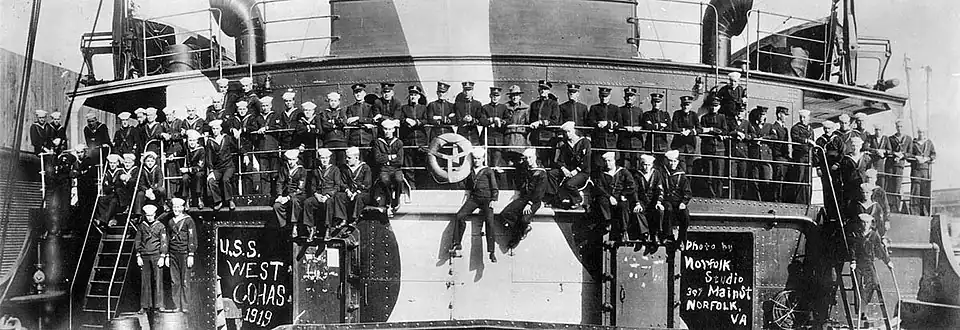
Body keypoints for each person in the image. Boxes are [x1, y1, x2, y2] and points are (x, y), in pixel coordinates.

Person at [451, 147, 499, 262]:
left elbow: (494, 186)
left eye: (478, 159)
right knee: (459, 216)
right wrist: (466, 198)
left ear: (483, 159)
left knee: (490, 223)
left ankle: (491, 252)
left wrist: (494, 199)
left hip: (487, 199)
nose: (476, 161)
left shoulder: (488, 171)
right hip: (475, 199)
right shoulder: (471, 171)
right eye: (475, 159)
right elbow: (468, 187)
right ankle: (457, 243)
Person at [500, 148, 548, 250]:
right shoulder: (525, 167)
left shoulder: (541, 173)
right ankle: (523, 229)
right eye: (526, 158)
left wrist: (530, 203)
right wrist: (503, 169)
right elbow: (516, 165)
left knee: (524, 219)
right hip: (523, 198)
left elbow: (539, 192)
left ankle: (515, 240)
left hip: (534, 201)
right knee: (506, 213)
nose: (528, 160)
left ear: (535, 157)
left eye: (530, 157)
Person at [850, 212, 893, 322]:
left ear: (870, 223)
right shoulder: (855, 234)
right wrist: (853, 260)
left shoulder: (874, 235)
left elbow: (880, 249)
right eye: (863, 222)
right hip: (858, 264)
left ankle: (863, 305)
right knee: (857, 286)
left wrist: (888, 261)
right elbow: (852, 249)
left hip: (869, 263)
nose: (865, 225)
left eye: (867, 222)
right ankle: (860, 311)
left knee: (874, 283)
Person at [592, 152, 640, 243]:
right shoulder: (601, 173)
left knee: (624, 206)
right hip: (608, 197)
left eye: (610, 161)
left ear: (614, 161)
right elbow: (599, 187)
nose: (608, 163)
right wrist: (609, 197)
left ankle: (624, 231)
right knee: (601, 200)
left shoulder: (623, 172)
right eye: (605, 161)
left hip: (620, 197)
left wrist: (624, 194)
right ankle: (607, 222)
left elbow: (632, 185)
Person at [303, 148, 348, 241]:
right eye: (322, 158)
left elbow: (337, 186)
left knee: (329, 203)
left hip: (330, 195)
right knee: (308, 202)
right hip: (319, 195)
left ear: (329, 158)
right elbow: (312, 186)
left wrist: (327, 195)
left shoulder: (335, 170)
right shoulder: (316, 171)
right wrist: (316, 195)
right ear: (319, 159)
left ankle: (328, 228)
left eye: (326, 158)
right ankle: (311, 228)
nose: (324, 160)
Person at [165, 198, 196, 313]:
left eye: (178, 208)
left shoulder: (188, 221)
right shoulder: (170, 222)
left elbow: (192, 237)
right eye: (174, 207)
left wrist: (191, 254)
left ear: (183, 208)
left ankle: (186, 305)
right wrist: (167, 255)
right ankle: (176, 305)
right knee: (175, 282)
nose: (176, 209)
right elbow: (167, 239)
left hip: (184, 254)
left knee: (185, 281)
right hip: (173, 254)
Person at [135, 204, 168, 314]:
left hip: (156, 256)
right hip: (144, 256)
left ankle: (160, 305)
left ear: (155, 215)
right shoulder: (141, 226)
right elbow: (138, 241)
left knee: (158, 281)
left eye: (151, 215)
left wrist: (162, 256)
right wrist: (138, 255)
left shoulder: (160, 226)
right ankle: (145, 306)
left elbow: (164, 242)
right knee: (145, 281)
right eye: (147, 215)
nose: (149, 217)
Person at [551, 121, 591, 209]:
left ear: (574, 131)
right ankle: (554, 196)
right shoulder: (565, 145)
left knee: (569, 184)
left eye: (569, 131)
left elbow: (586, 160)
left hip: (582, 172)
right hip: (569, 170)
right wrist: (563, 169)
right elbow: (559, 160)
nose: (567, 134)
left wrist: (576, 171)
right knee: (551, 174)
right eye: (565, 132)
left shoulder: (585, 142)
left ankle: (577, 200)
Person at [373, 119, 406, 217]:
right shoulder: (378, 142)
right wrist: (391, 157)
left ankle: (397, 200)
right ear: (382, 130)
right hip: (384, 169)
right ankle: (389, 201)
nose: (387, 131)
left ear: (393, 130)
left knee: (399, 179)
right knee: (384, 180)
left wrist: (386, 159)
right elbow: (377, 159)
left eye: (390, 129)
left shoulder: (398, 143)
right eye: (385, 129)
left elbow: (400, 161)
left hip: (396, 169)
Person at [398, 86, 428, 187]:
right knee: (409, 165)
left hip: (421, 141)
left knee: (422, 165)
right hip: (408, 141)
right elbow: (400, 119)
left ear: (419, 96)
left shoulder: (423, 108)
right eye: (411, 95)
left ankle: (422, 186)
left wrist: (416, 122)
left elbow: (426, 120)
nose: (413, 97)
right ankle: (412, 186)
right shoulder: (404, 108)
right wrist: (406, 120)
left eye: (415, 95)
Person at [206, 120, 239, 211]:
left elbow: (236, 147)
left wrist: (245, 154)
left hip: (228, 166)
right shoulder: (210, 141)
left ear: (220, 129)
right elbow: (208, 157)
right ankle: (218, 201)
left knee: (225, 179)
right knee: (211, 181)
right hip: (217, 168)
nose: (215, 131)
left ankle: (230, 200)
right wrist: (211, 170)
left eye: (217, 128)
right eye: (213, 129)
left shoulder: (226, 138)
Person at [698, 98, 727, 198]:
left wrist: (712, 131)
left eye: (716, 106)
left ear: (719, 107)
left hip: (719, 150)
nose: (714, 108)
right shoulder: (704, 118)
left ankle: (718, 195)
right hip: (708, 149)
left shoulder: (722, 117)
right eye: (712, 106)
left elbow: (725, 130)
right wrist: (714, 130)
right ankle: (711, 195)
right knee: (708, 174)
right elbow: (701, 132)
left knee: (719, 175)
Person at [636, 154, 665, 253]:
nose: (646, 167)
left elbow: (660, 189)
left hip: (653, 201)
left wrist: (659, 202)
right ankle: (645, 233)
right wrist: (637, 203)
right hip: (642, 201)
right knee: (637, 212)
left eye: (648, 165)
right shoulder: (637, 175)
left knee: (659, 211)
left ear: (652, 165)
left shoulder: (656, 174)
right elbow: (635, 190)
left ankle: (656, 234)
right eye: (644, 165)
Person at [744, 106, 774, 201]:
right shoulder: (752, 126)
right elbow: (747, 135)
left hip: (765, 157)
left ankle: (765, 199)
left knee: (766, 179)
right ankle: (757, 199)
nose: (762, 117)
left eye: (763, 115)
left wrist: (764, 139)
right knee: (755, 179)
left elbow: (774, 136)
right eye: (760, 115)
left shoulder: (769, 126)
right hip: (755, 156)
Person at [256, 96, 283, 195]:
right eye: (263, 106)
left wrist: (267, 128)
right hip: (262, 148)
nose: (264, 108)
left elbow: (278, 127)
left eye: (266, 105)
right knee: (264, 172)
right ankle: (265, 194)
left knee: (275, 172)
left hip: (273, 147)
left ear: (270, 106)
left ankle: (275, 194)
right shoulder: (258, 118)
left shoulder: (275, 116)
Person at [273, 149, 307, 231]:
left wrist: (288, 197)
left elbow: (300, 188)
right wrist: (280, 195)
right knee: (276, 206)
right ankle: (283, 226)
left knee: (294, 201)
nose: (291, 162)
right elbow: (279, 183)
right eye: (289, 160)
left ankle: (294, 225)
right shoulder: (283, 169)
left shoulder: (302, 171)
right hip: (285, 195)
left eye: (293, 160)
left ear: (297, 160)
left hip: (298, 195)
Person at [529, 80, 559, 168]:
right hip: (536, 138)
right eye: (541, 88)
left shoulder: (553, 104)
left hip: (548, 138)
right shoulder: (534, 104)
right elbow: (531, 120)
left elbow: (555, 121)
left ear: (549, 91)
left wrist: (541, 122)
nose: (543, 91)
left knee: (548, 162)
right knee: (537, 161)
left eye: (545, 89)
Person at [587, 87, 620, 168]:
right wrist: (598, 124)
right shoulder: (594, 108)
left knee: (610, 165)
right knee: (598, 164)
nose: (604, 98)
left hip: (610, 143)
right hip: (598, 141)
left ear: (609, 96)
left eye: (606, 96)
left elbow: (619, 125)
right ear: (599, 96)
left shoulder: (615, 108)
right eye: (602, 96)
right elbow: (590, 122)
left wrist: (607, 123)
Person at [787, 109, 815, 204]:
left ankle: (807, 200)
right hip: (800, 157)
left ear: (808, 118)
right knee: (799, 177)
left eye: (804, 117)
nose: (802, 119)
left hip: (808, 157)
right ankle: (798, 201)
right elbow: (795, 138)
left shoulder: (810, 129)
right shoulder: (796, 128)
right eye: (801, 117)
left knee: (808, 180)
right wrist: (806, 141)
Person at [885, 120, 912, 213]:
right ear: (895, 127)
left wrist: (902, 155)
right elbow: (888, 149)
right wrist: (895, 154)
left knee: (897, 187)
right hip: (890, 165)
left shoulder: (908, 139)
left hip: (899, 166)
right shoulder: (891, 138)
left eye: (901, 127)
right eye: (898, 127)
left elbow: (910, 152)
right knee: (889, 187)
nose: (899, 128)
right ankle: (889, 208)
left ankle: (895, 209)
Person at [480, 87, 507, 179]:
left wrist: (500, 121)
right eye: (493, 96)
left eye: (497, 96)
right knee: (486, 162)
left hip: (498, 139)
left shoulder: (503, 108)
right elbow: (482, 120)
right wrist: (491, 120)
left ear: (500, 97)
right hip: (487, 138)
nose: (495, 98)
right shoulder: (485, 108)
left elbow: (508, 120)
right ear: (490, 96)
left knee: (496, 163)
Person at [838, 136, 872, 208]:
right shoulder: (846, 159)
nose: (855, 148)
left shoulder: (866, 158)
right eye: (853, 146)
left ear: (860, 146)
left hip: (861, 184)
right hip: (849, 184)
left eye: (857, 146)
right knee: (848, 202)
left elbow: (869, 170)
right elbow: (843, 173)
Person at [501, 85, 530, 167]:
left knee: (520, 163)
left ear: (520, 96)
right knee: (509, 164)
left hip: (520, 140)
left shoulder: (525, 108)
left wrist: (521, 129)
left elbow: (528, 124)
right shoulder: (505, 107)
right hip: (508, 139)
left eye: (516, 95)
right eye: (513, 95)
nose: (515, 97)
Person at [341, 147, 373, 221]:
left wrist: (356, 192)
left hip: (363, 193)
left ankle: (355, 219)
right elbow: (343, 182)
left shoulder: (365, 168)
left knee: (358, 197)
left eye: (349, 158)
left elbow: (367, 184)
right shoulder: (345, 168)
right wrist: (347, 190)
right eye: (346, 157)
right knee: (339, 196)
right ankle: (342, 219)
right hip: (349, 192)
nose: (346, 159)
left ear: (356, 157)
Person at [909, 129, 936, 216]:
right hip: (916, 170)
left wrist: (927, 158)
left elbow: (933, 154)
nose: (921, 134)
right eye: (920, 132)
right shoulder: (914, 143)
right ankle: (915, 213)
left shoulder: (929, 143)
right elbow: (908, 154)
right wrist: (916, 157)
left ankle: (926, 213)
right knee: (915, 192)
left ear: (925, 133)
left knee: (925, 192)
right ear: (918, 133)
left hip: (925, 170)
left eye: (923, 132)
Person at [671, 96, 699, 175]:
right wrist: (682, 131)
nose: (686, 107)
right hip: (679, 146)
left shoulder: (694, 115)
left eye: (687, 105)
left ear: (691, 106)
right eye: (684, 105)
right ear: (681, 105)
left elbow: (699, 128)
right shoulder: (677, 114)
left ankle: (688, 186)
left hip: (690, 146)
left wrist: (690, 131)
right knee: (682, 168)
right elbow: (674, 127)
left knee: (690, 169)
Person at [618, 87, 644, 171]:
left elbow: (643, 124)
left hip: (636, 142)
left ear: (634, 98)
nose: (629, 98)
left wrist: (639, 128)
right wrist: (625, 128)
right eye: (627, 96)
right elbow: (618, 124)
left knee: (636, 165)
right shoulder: (620, 110)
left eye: (631, 96)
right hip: (624, 142)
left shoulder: (639, 110)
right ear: (624, 97)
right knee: (624, 165)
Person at [95, 154, 123, 229]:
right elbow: (105, 188)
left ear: (117, 163)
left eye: (114, 163)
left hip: (119, 197)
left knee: (113, 201)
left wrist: (111, 186)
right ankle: (103, 218)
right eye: (111, 163)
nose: (112, 165)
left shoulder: (121, 172)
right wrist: (111, 186)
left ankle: (104, 221)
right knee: (100, 200)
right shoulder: (107, 173)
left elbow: (120, 186)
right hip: (110, 194)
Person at [180, 130, 206, 208]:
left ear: (197, 141)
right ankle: (186, 200)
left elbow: (200, 167)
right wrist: (172, 155)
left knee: (198, 176)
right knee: (185, 178)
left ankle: (199, 199)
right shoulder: (187, 148)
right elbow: (180, 152)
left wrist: (188, 170)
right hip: (189, 171)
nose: (192, 142)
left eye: (193, 140)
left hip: (198, 171)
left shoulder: (201, 150)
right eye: (190, 140)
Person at [769, 106, 790, 202]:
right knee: (778, 178)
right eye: (784, 115)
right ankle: (776, 198)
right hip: (778, 157)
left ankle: (781, 197)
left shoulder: (785, 129)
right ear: (779, 115)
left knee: (784, 179)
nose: (786, 117)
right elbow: (775, 143)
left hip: (784, 157)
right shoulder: (774, 127)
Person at [727, 108, 750, 200]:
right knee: (732, 177)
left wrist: (745, 136)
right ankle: (731, 197)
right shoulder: (731, 122)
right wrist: (736, 133)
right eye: (738, 112)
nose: (740, 114)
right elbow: (727, 131)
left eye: (742, 112)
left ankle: (739, 197)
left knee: (742, 177)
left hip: (743, 154)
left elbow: (753, 134)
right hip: (733, 153)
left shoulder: (746, 123)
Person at [320, 92, 348, 166]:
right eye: (331, 101)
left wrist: (332, 123)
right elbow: (325, 125)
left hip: (341, 141)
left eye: (335, 101)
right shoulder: (324, 113)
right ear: (328, 102)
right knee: (331, 164)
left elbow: (343, 123)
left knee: (342, 164)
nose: (333, 103)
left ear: (338, 102)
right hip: (329, 141)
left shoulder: (342, 111)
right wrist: (335, 125)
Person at [454, 81, 485, 146]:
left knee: (474, 153)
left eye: (469, 90)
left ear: (472, 91)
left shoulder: (477, 104)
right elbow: (456, 119)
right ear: (463, 91)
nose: (467, 92)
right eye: (465, 90)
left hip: (473, 134)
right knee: (462, 153)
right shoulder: (458, 104)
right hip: (461, 134)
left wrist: (472, 120)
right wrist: (463, 120)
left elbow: (480, 120)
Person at [297, 101, 322, 170]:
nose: (307, 112)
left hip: (316, 145)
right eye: (306, 110)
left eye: (310, 110)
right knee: (305, 164)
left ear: (313, 111)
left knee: (315, 165)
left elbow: (319, 131)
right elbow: (299, 130)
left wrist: (309, 129)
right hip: (305, 146)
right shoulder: (301, 120)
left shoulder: (317, 119)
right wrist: (309, 127)